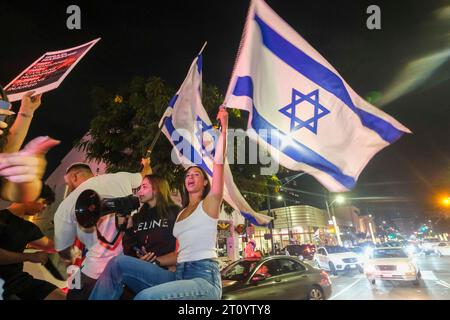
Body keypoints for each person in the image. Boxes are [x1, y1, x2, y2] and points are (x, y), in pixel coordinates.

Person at [89, 107, 228, 300]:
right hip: (178, 275)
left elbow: (219, 164)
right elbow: (181, 253)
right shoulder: (181, 213)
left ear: (205, 182)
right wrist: (155, 261)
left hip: (204, 278)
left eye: (197, 174)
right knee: (117, 263)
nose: (190, 176)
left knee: (145, 297)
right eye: (188, 174)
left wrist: (224, 128)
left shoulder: (210, 204)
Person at [53, 159, 152, 300]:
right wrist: (147, 164)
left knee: (73, 295)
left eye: (68, 183)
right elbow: (145, 176)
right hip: (128, 264)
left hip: (93, 269)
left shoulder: (64, 207)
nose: (68, 187)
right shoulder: (119, 177)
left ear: (74, 176)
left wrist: (74, 274)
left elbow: (65, 253)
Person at [0, 185, 66, 300]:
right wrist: (30, 257)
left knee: (60, 296)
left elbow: (51, 246)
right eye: (44, 202)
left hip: (18, 281)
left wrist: (77, 230)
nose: (44, 207)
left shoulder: (29, 228)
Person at [122, 174, 179, 271]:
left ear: (156, 189)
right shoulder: (137, 217)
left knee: (117, 262)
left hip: (166, 271)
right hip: (141, 268)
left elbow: (184, 249)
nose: (139, 192)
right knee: (118, 263)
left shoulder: (174, 212)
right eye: (140, 188)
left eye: (144, 187)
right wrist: (129, 227)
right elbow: (129, 250)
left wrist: (156, 261)